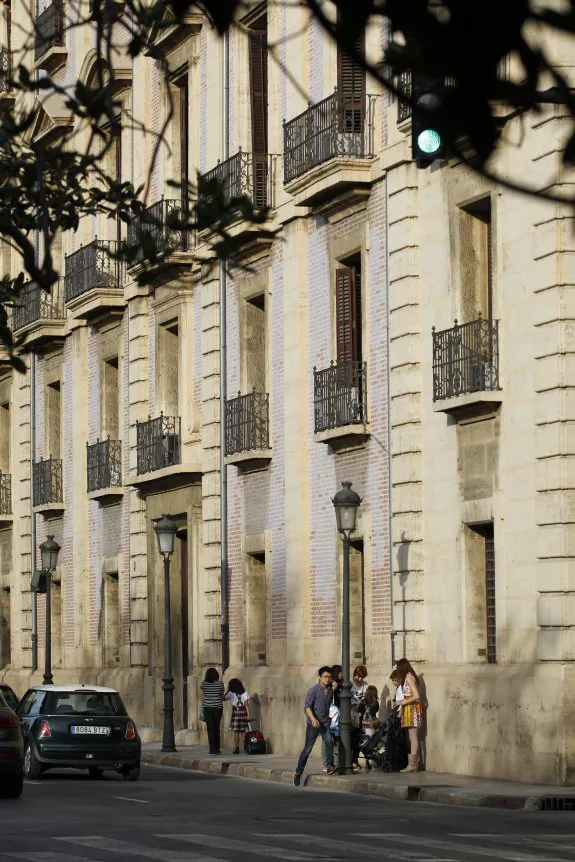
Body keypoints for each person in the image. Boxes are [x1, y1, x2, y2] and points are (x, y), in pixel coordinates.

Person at [293, 666, 337, 786]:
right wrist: (313, 719)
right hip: (313, 723)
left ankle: (329, 766)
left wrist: (334, 687)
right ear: (320, 677)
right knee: (308, 748)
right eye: (325, 677)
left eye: (329, 677)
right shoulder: (313, 690)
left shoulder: (330, 690)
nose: (327, 679)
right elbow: (307, 707)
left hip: (325, 723)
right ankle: (298, 772)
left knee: (328, 742)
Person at [392, 657, 423, 772]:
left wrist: (402, 702)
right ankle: (414, 763)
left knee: (413, 737)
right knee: (411, 737)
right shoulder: (407, 677)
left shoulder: (409, 678)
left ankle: (413, 764)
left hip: (412, 709)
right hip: (408, 709)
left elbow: (416, 695)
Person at [353, 685, 379, 770]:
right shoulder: (376, 703)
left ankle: (355, 761)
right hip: (371, 727)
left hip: (363, 727)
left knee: (359, 743)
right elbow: (376, 711)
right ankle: (370, 759)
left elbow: (359, 713)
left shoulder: (362, 702)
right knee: (371, 743)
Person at [200, 667, 225, 755]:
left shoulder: (204, 684)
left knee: (210, 729)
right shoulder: (220, 684)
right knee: (216, 728)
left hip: (208, 708)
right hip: (218, 708)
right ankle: (217, 749)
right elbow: (222, 697)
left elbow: (203, 696)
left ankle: (212, 749)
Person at [225, 677, 251, 754]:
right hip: (243, 712)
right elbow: (246, 705)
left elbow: (223, 698)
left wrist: (227, 691)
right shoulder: (245, 693)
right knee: (243, 730)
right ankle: (246, 746)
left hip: (235, 713)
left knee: (236, 731)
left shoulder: (231, 693)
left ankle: (237, 748)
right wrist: (248, 715)